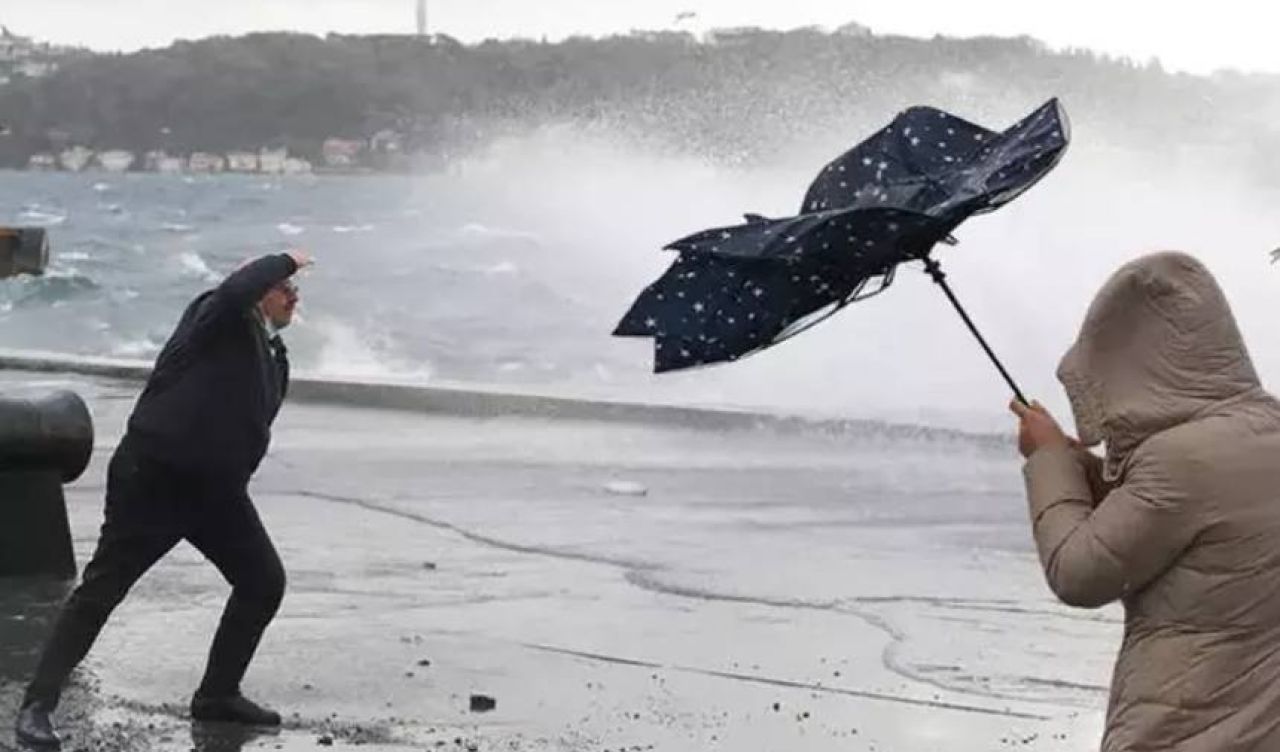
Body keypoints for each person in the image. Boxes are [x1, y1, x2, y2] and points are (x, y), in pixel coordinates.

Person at [15, 250, 311, 747]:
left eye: (293, 288)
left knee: (262, 582)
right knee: (101, 593)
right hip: (154, 481)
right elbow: (235, 289)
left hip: (215, 493)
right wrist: (284, 259)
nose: (294, 294)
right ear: (259, 290)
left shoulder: (273, 354)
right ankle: (35, 708)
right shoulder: (216, 315)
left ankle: (217, 694)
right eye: (284, 286)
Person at [1011, 251, 1280, 750]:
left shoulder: (1181, 460)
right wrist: (1081, 469)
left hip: (1183, 731)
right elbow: (1182, 527)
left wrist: (1048, 461)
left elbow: (1079, 574)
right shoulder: (1263, 428)